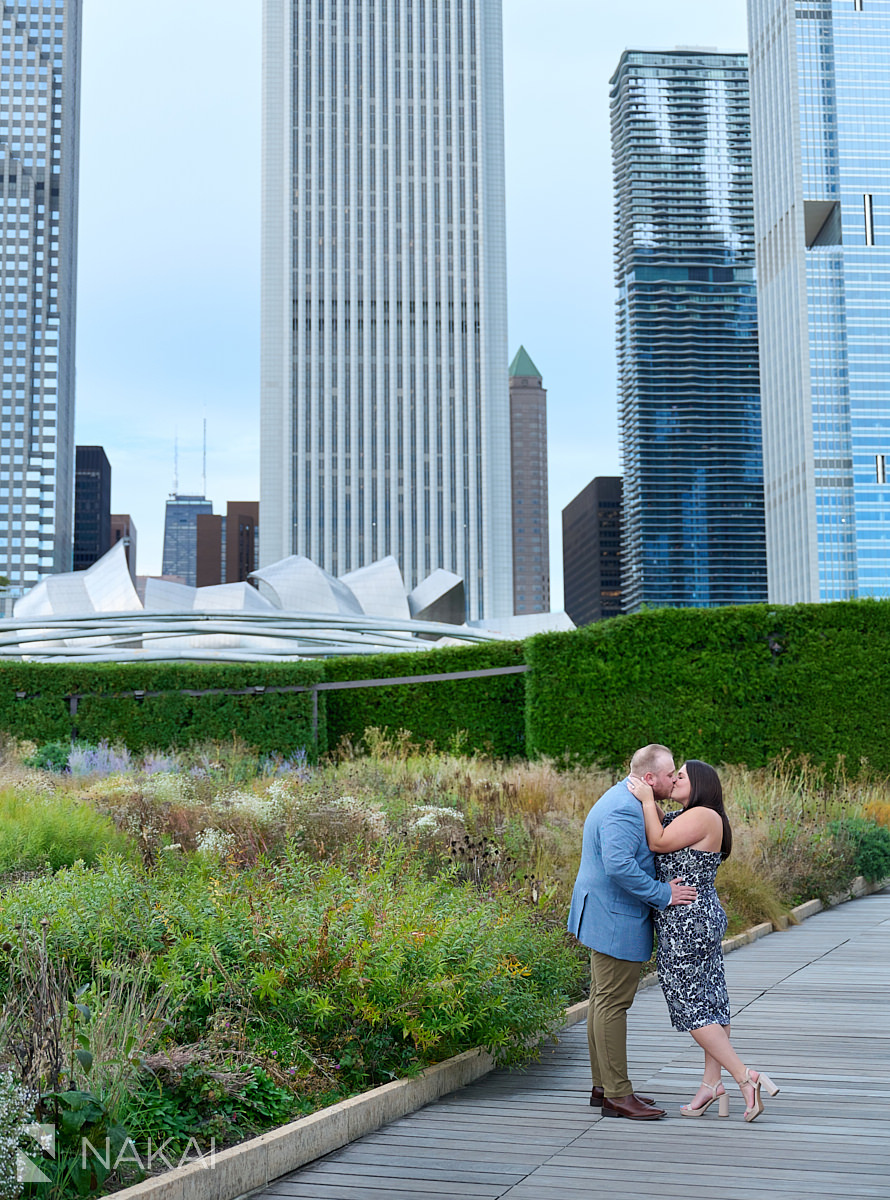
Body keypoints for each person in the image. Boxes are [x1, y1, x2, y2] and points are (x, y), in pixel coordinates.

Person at [628, 760, 780, 1123]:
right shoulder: (693, 816)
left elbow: (657, 841)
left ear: (700, 784)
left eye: (681, 775)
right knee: (710, 1000)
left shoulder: (704, 814)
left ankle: (746, 1077)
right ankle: (711, 1086)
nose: (675, 779)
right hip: (697, 917)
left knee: (691, 1004)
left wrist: (648, 801)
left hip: (687, 920)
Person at [567, 744, 697, 1122]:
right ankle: (618, 1097)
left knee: (601, 1000)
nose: (675, 778)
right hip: (614, 917)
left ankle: (604, 1086)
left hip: (604, 912)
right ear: (650, 778)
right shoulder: (625, 809)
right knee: (612, 1004)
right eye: (670, 773)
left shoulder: (626, 797)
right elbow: (619, 866)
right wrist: (664, 894)